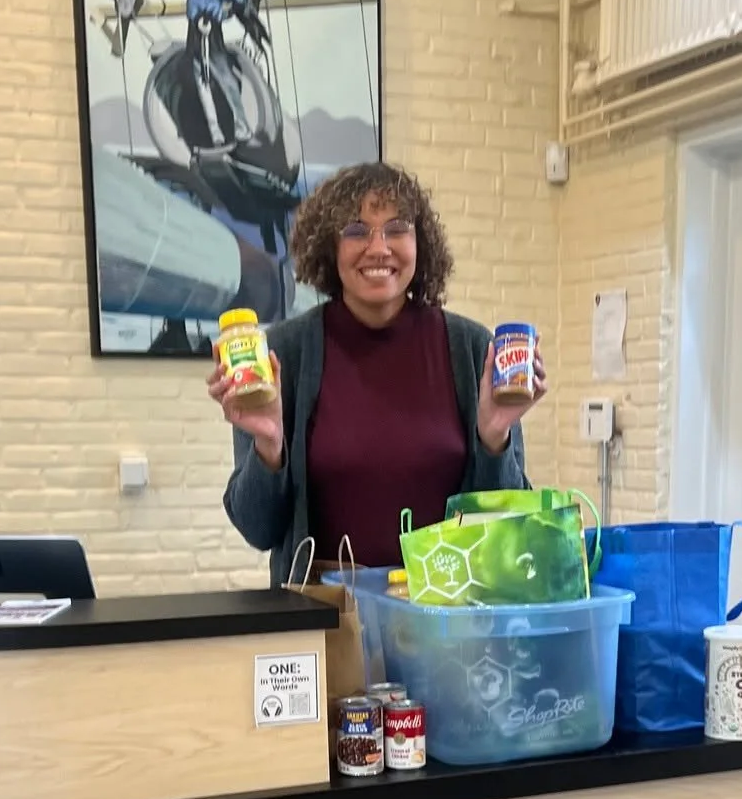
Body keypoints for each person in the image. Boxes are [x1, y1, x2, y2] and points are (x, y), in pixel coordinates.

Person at [211, 161, 547, 586]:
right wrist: (269, 446)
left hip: (446, 617)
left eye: (396, 228)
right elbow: (258, 530)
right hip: (327, 618)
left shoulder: (473, 349)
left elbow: (505, 525)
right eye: (355, 230)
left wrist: (494, 438)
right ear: (328, 246)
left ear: (419, 242)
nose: (378, 247)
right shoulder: (282, 354)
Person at [186, 0, 249, 145]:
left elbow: (193, 8)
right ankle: (241, 129)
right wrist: (233, 7)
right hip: (210, 36)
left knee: (203, 84)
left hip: (193, 37)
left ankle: (216, 134)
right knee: (227, 82)